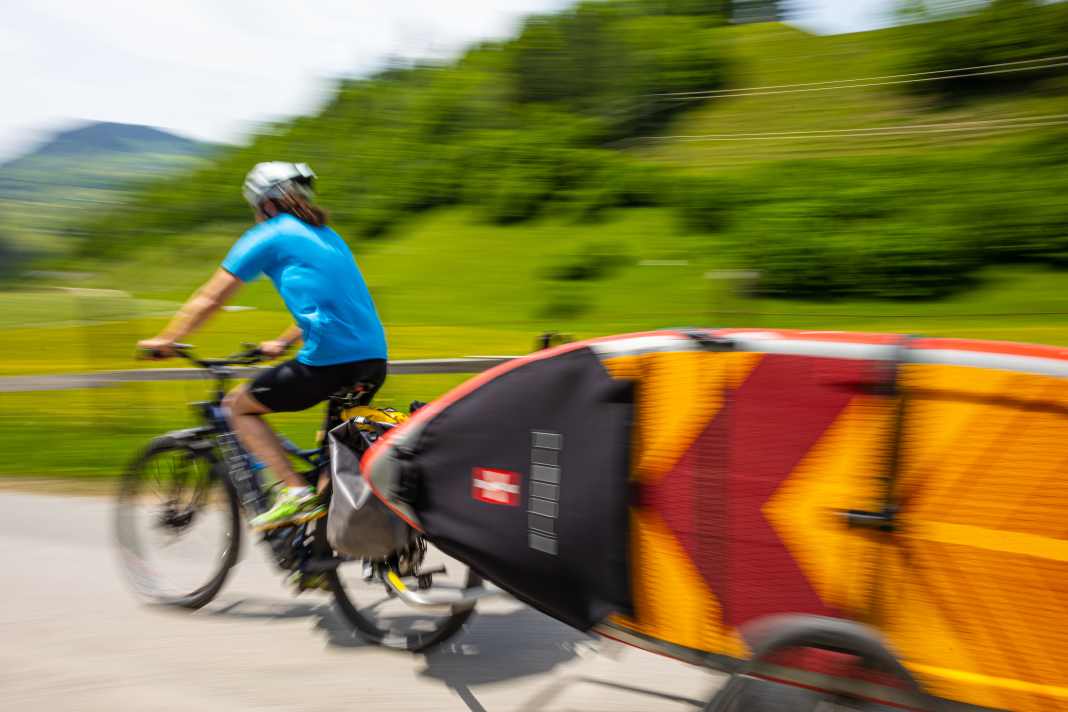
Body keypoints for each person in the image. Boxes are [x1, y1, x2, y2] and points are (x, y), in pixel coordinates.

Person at [138, 162, 388, 532]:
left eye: (254, 207)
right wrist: (284, 341)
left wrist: (168, 340)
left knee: (237, 407)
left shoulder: (270, 234)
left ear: (266, 204)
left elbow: (211, 297)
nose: (256, 215)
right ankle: (317, 557)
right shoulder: (326, 235)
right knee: (330, 466)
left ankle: (292, 490)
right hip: (371, 361)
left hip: (329, 363)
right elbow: (332, 305)